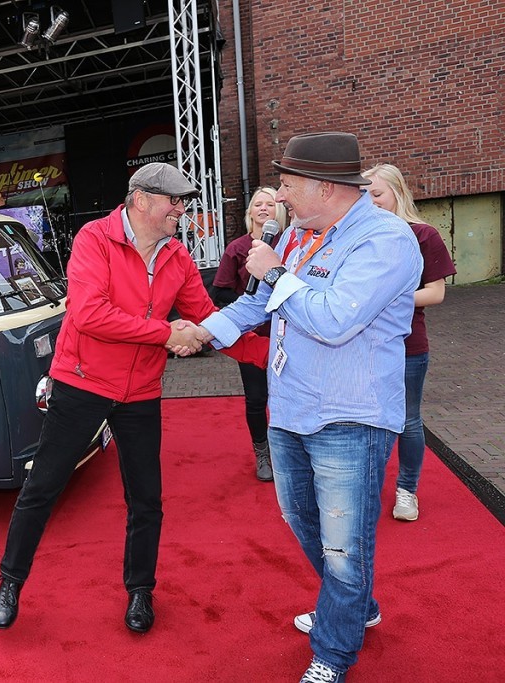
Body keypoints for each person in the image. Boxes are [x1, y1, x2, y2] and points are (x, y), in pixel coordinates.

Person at [0, 162, 268, 634]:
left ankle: (141, 590)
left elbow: (208, 321)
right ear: (141, 200)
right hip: (81, 384)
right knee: (42, 489)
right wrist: (166, 334)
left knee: (146, 499)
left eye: (183, 202)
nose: (181, 210)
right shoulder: (94, 239)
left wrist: (269, 355)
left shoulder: (177, 255)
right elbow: (89, 314)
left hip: (140, 392)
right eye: (173, 201)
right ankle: (10, 580)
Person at [195, 132, 422, 683]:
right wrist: (199, 332)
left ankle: (333, 653)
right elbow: (257, 304)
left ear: (324, 186)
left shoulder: (386, 240)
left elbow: (333, 319)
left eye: (287, 185)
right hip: (292, 407)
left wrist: (275, 271)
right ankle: (357, 604)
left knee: (343, 545)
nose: (278, 197)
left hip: (350, 415)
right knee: (302, 521)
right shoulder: (299, 233)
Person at [362, 162, 456, 521]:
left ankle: (407, 490)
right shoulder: (360, 237)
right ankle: (366, 488)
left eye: (377, 193)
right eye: (364, 196)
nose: (371, 201)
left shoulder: (423, 235)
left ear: (398, 192)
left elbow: (435, 293)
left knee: (407, 420)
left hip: (407, 346)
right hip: (361, 346)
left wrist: (385, 299)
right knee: (367, 420)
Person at [211, 187, 288, 481]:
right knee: (256, 399)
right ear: (250, 212)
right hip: (252, 338)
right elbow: (220, 291)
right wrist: (255, 307)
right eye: (258, 204)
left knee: (288, 398)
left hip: (289, 337)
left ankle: (287, 452)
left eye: (270, 203)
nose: (264, 208)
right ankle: (262, 452)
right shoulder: (237, 248)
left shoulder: (291, 245)